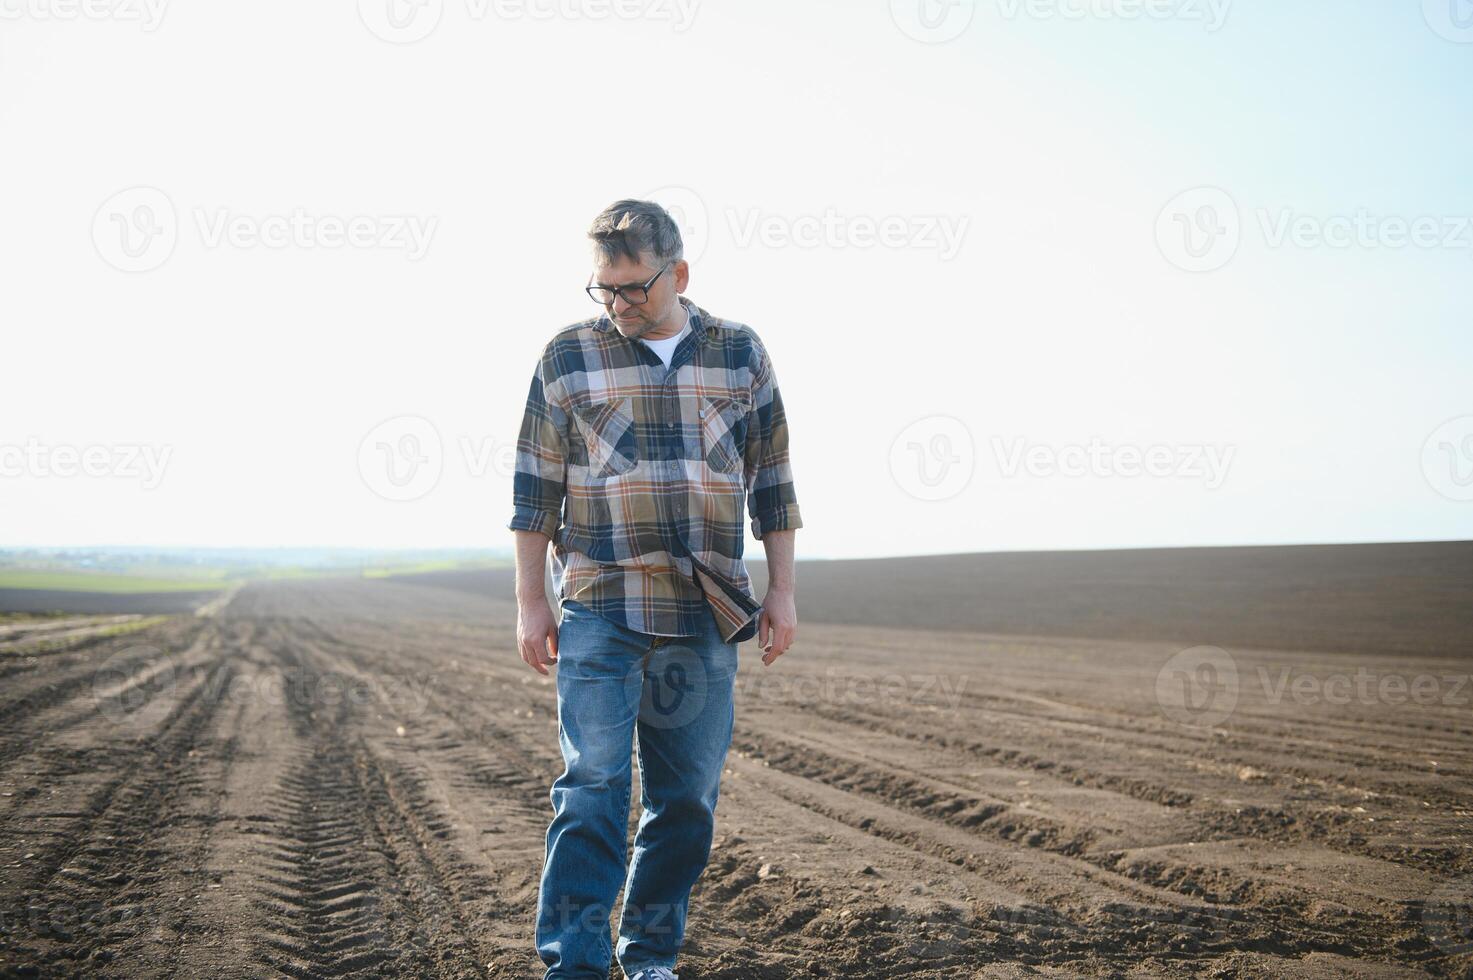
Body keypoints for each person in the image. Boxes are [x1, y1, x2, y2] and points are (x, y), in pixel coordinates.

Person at [508, 199, 803, 980]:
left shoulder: (738, 352)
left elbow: (772, 479)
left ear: (678, 273)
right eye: (604, 288)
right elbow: (534, 490)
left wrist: (781, 590)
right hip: (601, 605)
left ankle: (648, 959)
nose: (618, 305)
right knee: (591, 789)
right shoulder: (568, 357)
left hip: (705, 611)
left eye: (634, 288)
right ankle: (573, 965)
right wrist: (531, 601)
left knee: (686, 803)